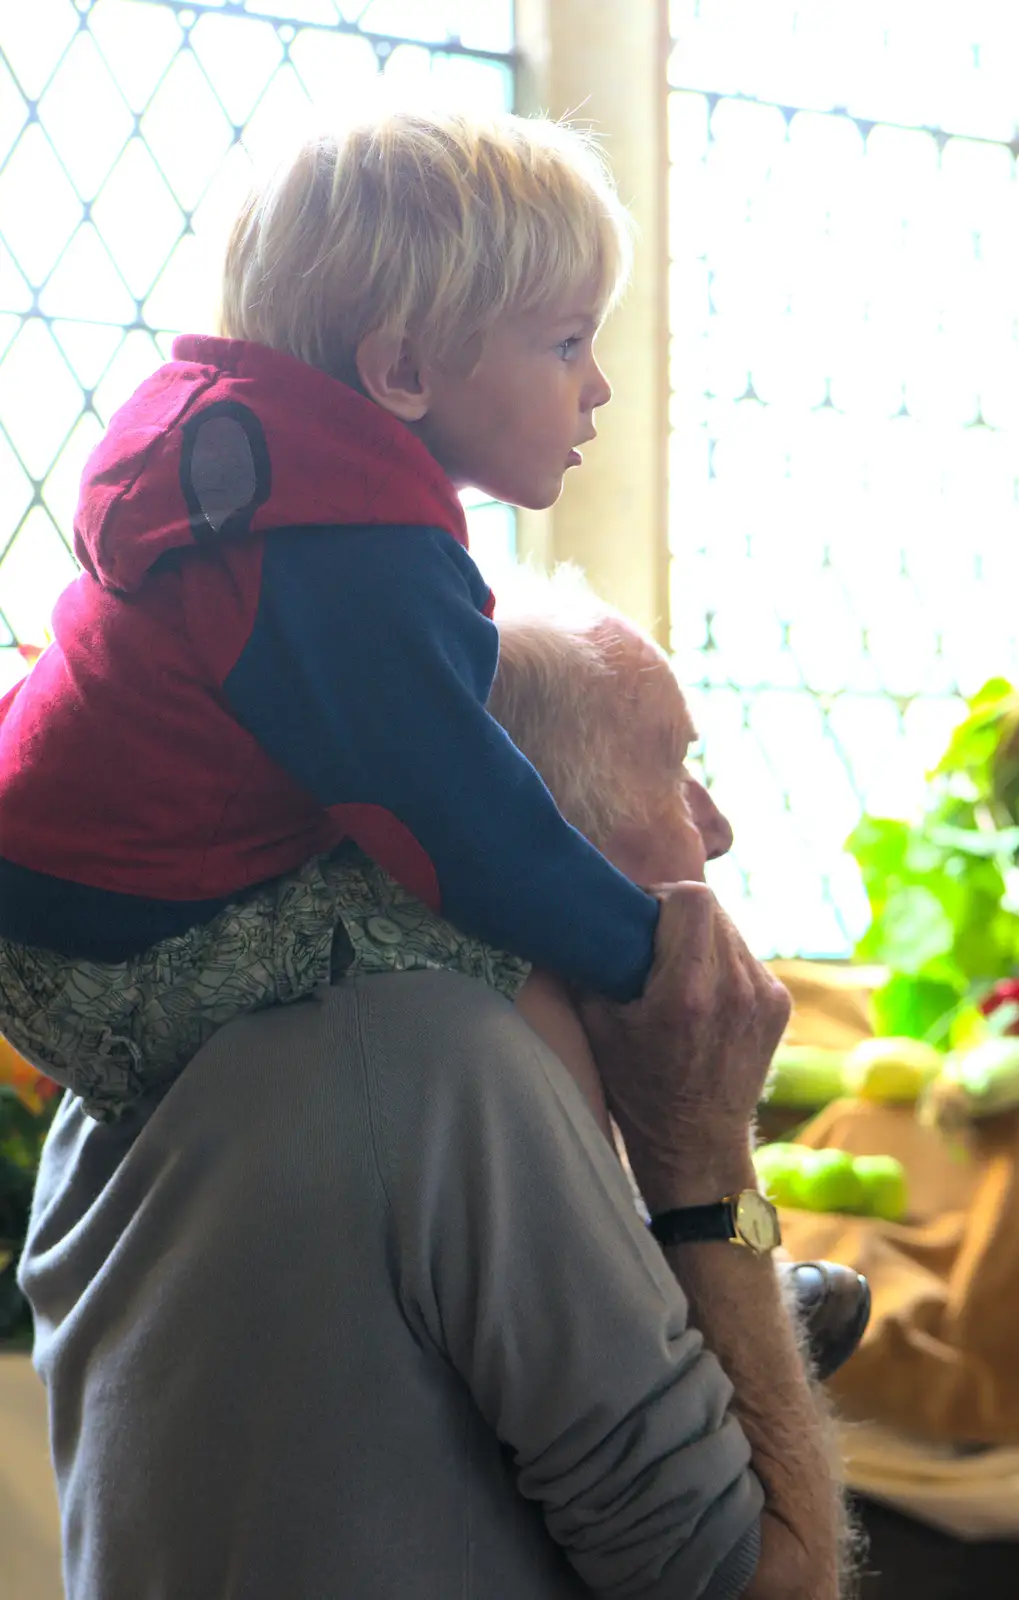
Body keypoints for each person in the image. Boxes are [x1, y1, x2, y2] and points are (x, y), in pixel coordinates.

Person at [20, 585, 849, 1599]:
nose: (715, 828)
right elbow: (774, 1580)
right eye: (675, 767)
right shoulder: (452, 1071)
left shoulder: (120, 1086)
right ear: (529, 834)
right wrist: (706, 1155)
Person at [0, 108, 661, 1122]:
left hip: (59, 924)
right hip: (118, 962)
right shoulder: (342, 550)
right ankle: (627, 1261)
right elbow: (470, 830)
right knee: (522, 951)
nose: (598, 386)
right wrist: (645, 950)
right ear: (401, 371)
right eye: (565, 342)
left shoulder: (263, 480)